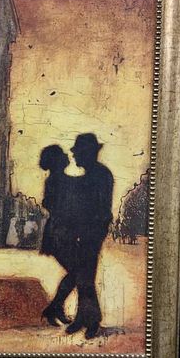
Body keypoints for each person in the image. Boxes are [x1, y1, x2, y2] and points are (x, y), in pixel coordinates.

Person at [65, 133, 114, 338]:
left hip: (92, 232)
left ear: (87, 153)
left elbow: (100, 210)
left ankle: (92, 320)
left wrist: (86, 230)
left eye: (77, 152)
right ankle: (83, 317)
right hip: (84, 232)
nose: (74, 156)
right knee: (83, 276)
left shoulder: (100, 175)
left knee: (85, 276)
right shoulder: (93, 175)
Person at [38, 145, 76, 327]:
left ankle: (54, 308)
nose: (67, 156)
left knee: (76, 272)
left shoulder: (57, 179)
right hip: (60, 232)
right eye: (62, 154)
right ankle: (54, 308)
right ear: (57, 161)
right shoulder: (58, 180)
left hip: (59, 230)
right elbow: (50, 203)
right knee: (77, 272)